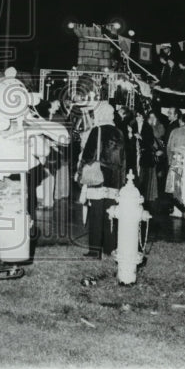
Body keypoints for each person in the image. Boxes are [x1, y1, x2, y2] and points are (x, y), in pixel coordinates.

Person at [76, 102, 125, 259]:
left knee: (95, 214)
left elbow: (88, 155)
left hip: (98, 176)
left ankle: (95, 250)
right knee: (110, 213)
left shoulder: (97, 130)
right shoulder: (119, 132)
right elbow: (123, 159)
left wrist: (79, 171)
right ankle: (110, 248)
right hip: (114, 177)